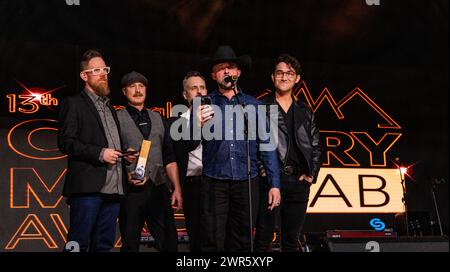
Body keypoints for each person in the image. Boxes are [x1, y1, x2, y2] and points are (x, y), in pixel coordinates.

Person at [196, 45, 281, 252]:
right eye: (221, 68)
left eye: (231, 67)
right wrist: (195, 124)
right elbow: (188, 145)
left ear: (238, 73)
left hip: (246, 181)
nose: (226, 71)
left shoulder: (253, 104)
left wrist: (274, 184)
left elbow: (267, 147)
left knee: (243, 240)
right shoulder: (202, 104)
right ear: (214, 75)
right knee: (213, 239)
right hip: (215, 181)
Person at [58, 49, 125, 252]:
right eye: (96, 70)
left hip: (113, 188)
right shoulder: (74, 103)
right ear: (84, 76)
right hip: (88, 188)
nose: (103, 73)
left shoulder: (110, 108)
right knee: (77, 244)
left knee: (104, 246)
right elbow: (66, 142)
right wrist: (100, 153)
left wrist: (124, 154)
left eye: (105, 69)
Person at [254, 54, 322, 252]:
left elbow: (316, 145)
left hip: (298, 183)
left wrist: (311, 174)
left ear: (297, 78)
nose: (284, 77)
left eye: (289, 73)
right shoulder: (261, 108)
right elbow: (253, 145)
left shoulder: (305, 110)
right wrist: (264, 172)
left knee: (292, 241)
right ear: (273, 77)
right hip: (271, 181)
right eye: (280, 73)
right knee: (263, 239)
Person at [117, 71, 182, 252]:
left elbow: (169, 157)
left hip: (159, 187)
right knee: (130, 243)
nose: (137, 90)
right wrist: (125, 174)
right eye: (132, 86)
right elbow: (113, 156)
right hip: (131, 192)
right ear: (124, 91)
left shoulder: (159, 118)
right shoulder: (116, 119)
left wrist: (176, 188)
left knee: (169, 243)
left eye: (141, 86)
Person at [169, 71, 207, 252]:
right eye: (194, 88)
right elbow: (178, 154)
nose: (199, 92)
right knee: (197, 238)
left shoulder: (221, 118)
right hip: (193, 185)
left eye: (202, 87)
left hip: (218, 183)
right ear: (185, 95)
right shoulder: (176, 123)